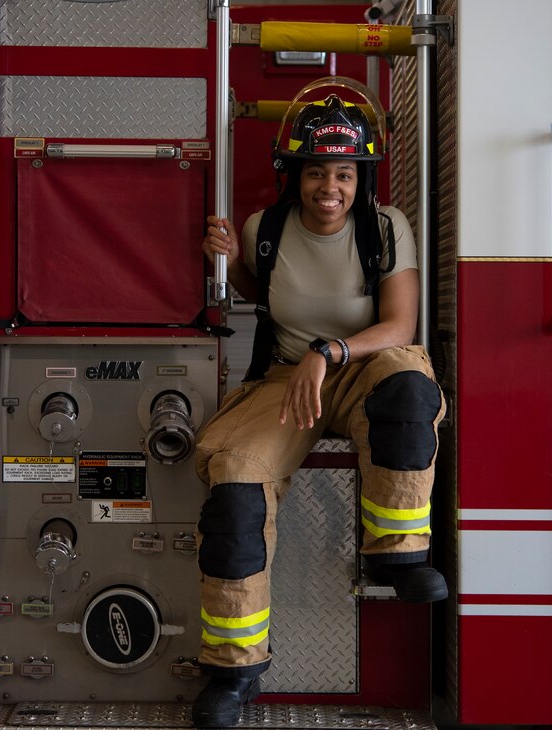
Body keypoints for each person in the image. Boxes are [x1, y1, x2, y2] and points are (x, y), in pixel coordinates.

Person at [190, 94, 447, 728]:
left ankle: (399, 552)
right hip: (287, 381)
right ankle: (233, 672)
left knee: (411, 388)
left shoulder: (387, 228)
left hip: (362, 370)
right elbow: (267, 290)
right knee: (236, 486)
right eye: (315, 172)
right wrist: (228, 262)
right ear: (293, 175)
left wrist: (328, 352)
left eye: (344, 173)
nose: (328, 187)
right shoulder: (263, 230)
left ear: (361, 180)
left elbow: (399, 327)